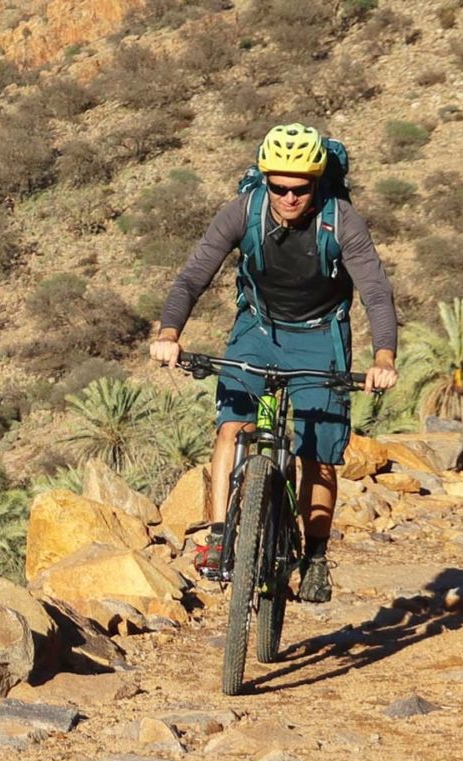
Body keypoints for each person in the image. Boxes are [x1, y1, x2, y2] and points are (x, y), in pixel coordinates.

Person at [149, 123, 399, 604]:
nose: (288, 197)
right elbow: (191, 277)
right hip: (257, 330)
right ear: (264, 180)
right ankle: (222, 536)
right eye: (278, 186)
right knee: (231, 429)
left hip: (320, 337)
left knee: (317, 456)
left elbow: (376, 292)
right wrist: (168, 333)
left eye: (299, 188)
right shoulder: (245, 210)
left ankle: (316, 557)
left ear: (316, 182)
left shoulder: (340, 220)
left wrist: (383, 356)